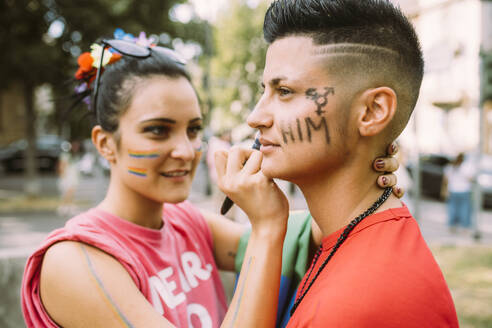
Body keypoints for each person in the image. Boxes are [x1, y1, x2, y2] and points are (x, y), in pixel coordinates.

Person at [21, 30, 399, 328]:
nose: (186, 151)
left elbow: (310, 236)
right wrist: (265, 225)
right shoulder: (75, 260)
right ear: (105, 144)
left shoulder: (186, 223)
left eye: (193, 129)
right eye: (157, 130)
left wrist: (358, 163)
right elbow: (274, 237)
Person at [216, 0, 459, 327]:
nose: (255, 117)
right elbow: (182, 229)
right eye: (265, 91)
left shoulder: (359, 305)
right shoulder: (338, 235)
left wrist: (266, 227)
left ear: (372, 111)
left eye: (284, 91)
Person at [442, 152, 474, 231]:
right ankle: (465, 226)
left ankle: (452, 226)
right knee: (464, 209)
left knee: (452, 209)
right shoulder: (466, 167)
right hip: (464, 190)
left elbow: (445, 180)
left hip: (453, 190)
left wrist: (444, 190)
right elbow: (470, 178)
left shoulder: (450, 167)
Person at [57, 140, 82, 216]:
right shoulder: (65, 155)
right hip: (68, 177)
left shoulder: (75, 156)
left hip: (73, 176)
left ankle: (69, 206)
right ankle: (64, 207)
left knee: (71, 192)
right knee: (68, 192)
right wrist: (63, 176)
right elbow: (62, 166)